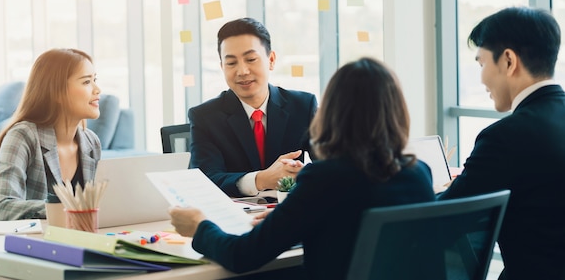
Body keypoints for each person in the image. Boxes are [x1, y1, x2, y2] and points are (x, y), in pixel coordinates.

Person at [170, 58, 436, 279]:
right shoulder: (419, 173)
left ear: (332, 112)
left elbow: (242, 256)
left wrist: (200, 225)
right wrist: (289, 218)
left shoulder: (325, 178)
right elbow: (348, 225)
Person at [437, 7, 565, 280]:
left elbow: (443, 220)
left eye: (481, 64)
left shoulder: (505, 136)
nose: (481, 79)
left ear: (508, 60)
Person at [188, 17, 317, 198]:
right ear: (222, 67)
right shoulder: (205, 117)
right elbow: (205, 179)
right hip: (233, 219)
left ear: (271, 60)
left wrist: (304, 174)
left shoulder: (303, 106)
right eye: (231, 63)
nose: (242, 71)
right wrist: (261, 179)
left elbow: (332, 165)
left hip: (289, 216)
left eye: (251, 59)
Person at [0, 48, 102, 221]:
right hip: (29, 244)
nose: (97, 89)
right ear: (57, 91)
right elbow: (1, 209)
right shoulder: (23, 136)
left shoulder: (91, 142)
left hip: (76, 243)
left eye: (95, 80)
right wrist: (66, 208)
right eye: (86, 82)